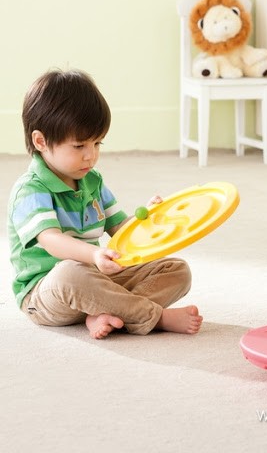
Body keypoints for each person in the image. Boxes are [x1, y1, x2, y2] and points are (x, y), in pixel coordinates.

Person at [8, 69, 203, 339]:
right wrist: (94, 255)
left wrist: (150, 220)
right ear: (40, 141)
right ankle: (154, 317)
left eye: (97, 143)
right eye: (79, 146)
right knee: (69, 272)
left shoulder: (92, 181)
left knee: (177, 270)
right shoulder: (30, 189)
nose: (91, 156)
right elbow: (52, 240)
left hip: (96, 279)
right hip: (47, 293)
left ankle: (107, 312)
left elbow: (121, 230)